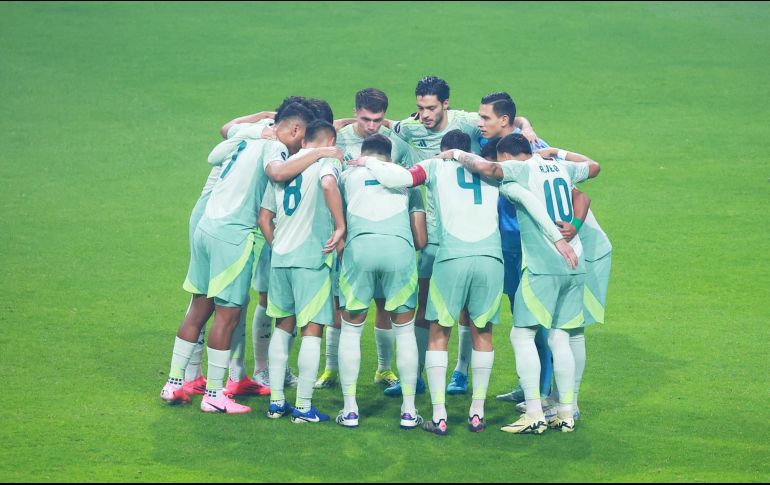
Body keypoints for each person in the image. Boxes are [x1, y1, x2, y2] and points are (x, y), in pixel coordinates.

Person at [348, 129, 575, 435]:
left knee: (439, 333)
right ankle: (477, 413)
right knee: (483, 332)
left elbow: (397, 178)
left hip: (451, 258)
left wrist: (368, 162)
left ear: (443, 150)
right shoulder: (491, 171)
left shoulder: (434, 166)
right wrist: (558, 239)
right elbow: (527, 199)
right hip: (491, 261)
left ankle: (439, 415)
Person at [159, 102, 315, 413]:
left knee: (199, 307)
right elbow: (277, 172)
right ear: (295, 129)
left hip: (206, 227)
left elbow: (220, 143)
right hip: (232, 237)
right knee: (227, 316)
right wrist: (321, 153)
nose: (303, 146)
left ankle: (174, 383)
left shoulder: (248, 138)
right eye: (304, 139)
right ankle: (214, 395)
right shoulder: (274, 147)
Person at [443, 133, 600, 434]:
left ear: (505, 156)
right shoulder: (559, 168)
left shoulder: (520, 170)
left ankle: (534, 413)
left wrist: (456, 154)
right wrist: (557, 151)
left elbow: (489, 170)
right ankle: (566, 411)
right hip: (575, 261)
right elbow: (594, 167)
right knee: (560, 336)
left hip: (543, 265)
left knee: (522, 335)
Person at [315, 88, 419, 391]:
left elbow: (411, 180)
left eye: (377, 119)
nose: (372, 126)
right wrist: (339, 233)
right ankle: (331, 368)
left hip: (382, 232)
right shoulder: (338, 139)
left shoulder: (396, 144)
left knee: (385, 304)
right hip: (345, 235)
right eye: (365, 119)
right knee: (341, 305)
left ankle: (384, 369)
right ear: (355, 112)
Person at [335, 133, 427, 429]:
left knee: (351, 330)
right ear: (390, 156)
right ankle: (409, 412)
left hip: (359, 249)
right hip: (398, 250)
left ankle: (350, 410)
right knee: (405, 332)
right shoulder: (405, 179)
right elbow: (421, 238)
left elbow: (337, 220)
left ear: (364, 152)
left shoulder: (346, 176)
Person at [259, 120, 346, 424]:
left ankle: (276, 403)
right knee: (312, 329)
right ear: (330, 141)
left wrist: (280, 246)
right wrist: (340, 226)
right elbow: (328, 184)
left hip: (280, 258)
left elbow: (264, 218)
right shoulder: (327, 161)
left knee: (283, 325)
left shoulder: (286, 165)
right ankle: (304, 407)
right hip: (311, 258)